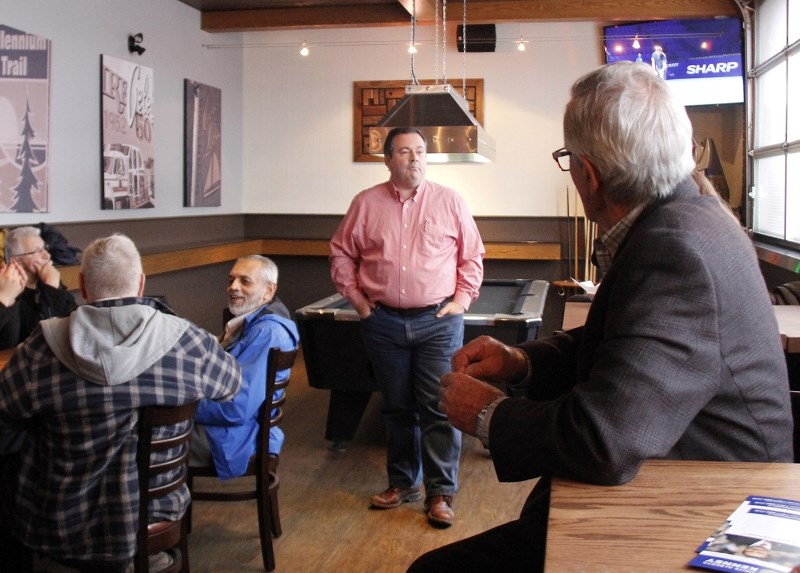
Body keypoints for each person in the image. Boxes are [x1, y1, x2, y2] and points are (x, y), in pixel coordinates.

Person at [410, 61, 793, 571]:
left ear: (587, 175)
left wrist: (487, 414)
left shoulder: (673, 248)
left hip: (713, 507)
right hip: (681, 474)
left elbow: (604, 440)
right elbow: (624, 344)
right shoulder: (695, 211)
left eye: (568, 158)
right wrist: (520, 362)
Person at [0, 234, 242, 572]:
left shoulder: (40, 348)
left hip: (59, 522)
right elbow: (231, 384)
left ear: (82, 286)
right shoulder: (188, 341)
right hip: (155, 512)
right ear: (141, 284)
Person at [330, 126, 485, 528]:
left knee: (439, 409)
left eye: (420, 151)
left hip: (437, 323)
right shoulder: (365, 204)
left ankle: (440, 493)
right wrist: (360, 302)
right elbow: (341, 254)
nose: (414, 158)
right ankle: (403, 483)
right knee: (397, 408)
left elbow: (472, 257)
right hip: (382, 323)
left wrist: (461, 302)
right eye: (404, 151)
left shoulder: (450, 201)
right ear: (387, 160)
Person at [190, 255, 299, 479]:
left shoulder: (267, 332)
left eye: (245, 281)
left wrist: (184, 406)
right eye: (231, 280)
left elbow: (237, 407)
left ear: (268, 291)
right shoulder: (251, 324)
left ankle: (157, 511)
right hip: (238, 431)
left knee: (144, 435)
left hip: (236, 440)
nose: (233, 287)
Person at [0, 226, 77, 349]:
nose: (46, 255)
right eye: (36, 251)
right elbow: (37, 337)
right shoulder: (8, 292)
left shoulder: (48, 280)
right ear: (16, 261)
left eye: (44, 248)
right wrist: (51, 290)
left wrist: (54, 288)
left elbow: (74, 319)